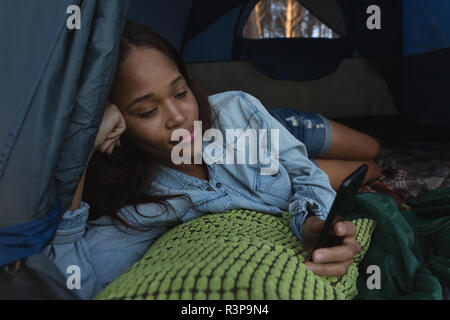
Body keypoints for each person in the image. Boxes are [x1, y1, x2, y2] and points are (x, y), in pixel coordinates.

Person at [44, 21, 381, 300]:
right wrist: (83, 146)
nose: (179, 117)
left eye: (180, 92)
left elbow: (304, 173)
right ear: (118, 126)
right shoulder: (136, 211)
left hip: (268, 127)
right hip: (265, 158)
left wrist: (313, 215)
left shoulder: (236, 107)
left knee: (373, 149)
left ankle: (294, 124)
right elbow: (73, 283)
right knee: (370, 173)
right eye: (147, 111)